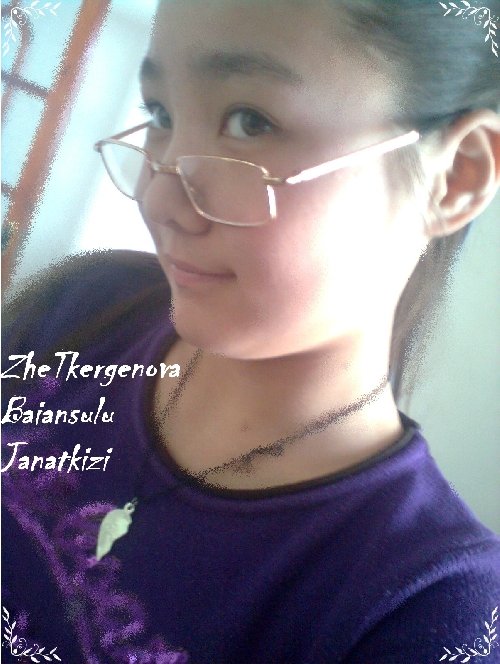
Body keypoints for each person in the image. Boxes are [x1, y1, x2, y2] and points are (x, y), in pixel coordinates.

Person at [2, 1, 500, 662]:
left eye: (250, 122)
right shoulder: (83, 309)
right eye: (161, 114)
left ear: (456, 178)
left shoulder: (426, 606)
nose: (157, 197)